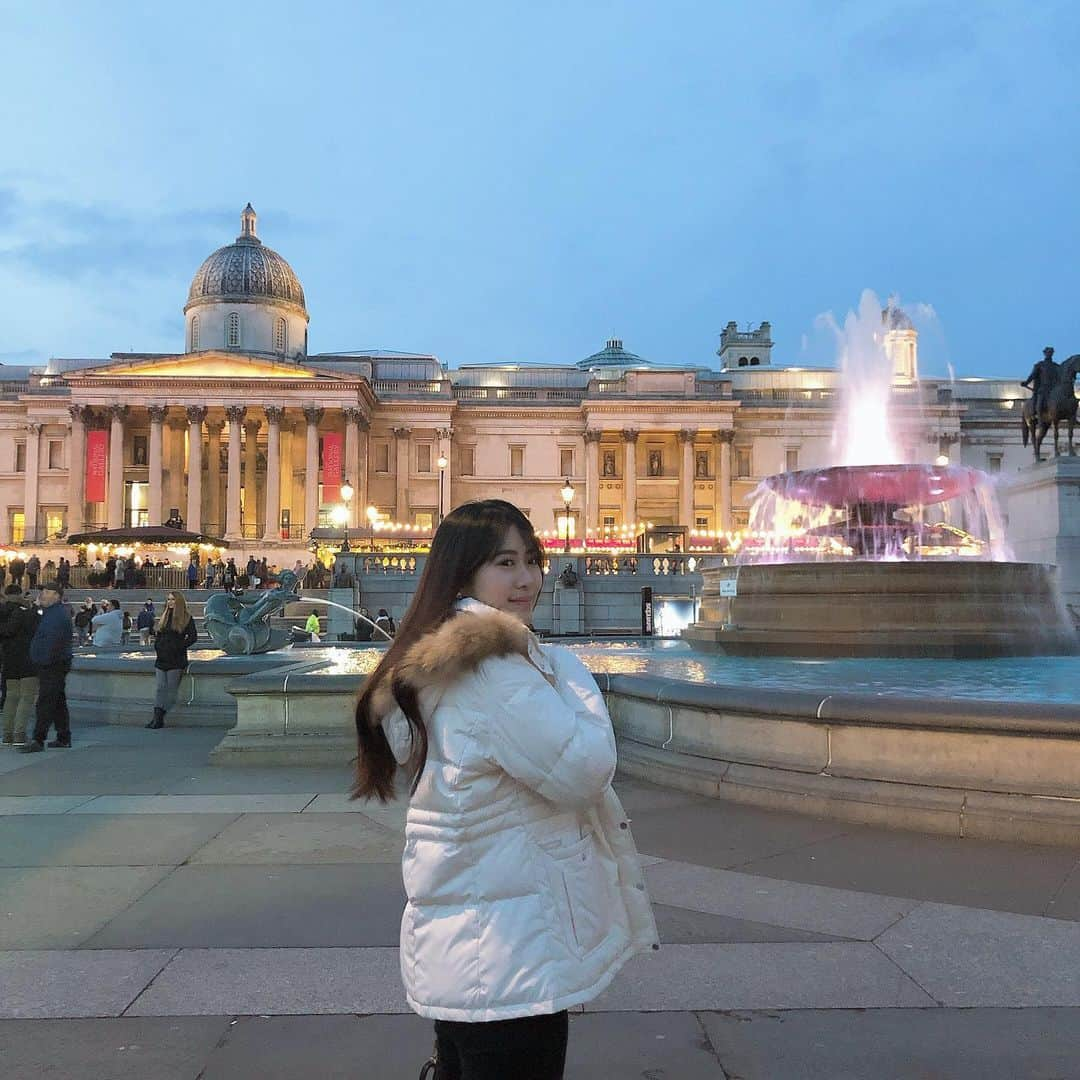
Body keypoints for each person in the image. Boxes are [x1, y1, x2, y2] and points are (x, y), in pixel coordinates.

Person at [353, 500, 658, 1078]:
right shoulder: (495, 670)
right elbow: (584, 771)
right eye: (505, 562)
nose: (527, 579)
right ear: (464, 571)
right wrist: (572, 676)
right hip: (511, 950)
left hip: (469, 942)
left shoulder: (437, 659)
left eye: (532, 559)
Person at [21, 580, 73, 752]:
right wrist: (36, 607)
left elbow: (52, 642)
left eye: (47, 592)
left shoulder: (56, 615)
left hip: (52, 664)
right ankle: (63, 736)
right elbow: (31, 625)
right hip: (53, 663)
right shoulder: (50, 612)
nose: (42, 594)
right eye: (42, 591)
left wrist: (42, 660)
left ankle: (38, 739)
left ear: (56, 596)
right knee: (57, 700)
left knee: (45, 702)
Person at [147, 592, 199, 730]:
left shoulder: (186, 618)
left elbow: (193, 637)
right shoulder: (165, 616)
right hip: (162, 658)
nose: (170, 602)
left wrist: (179, 647)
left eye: (173, 600)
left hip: (176, 659)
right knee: (160, 688)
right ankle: (156, 717)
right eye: (168, 599)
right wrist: (157, 646)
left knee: (171, 690)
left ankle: (159, 717)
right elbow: (159, 634)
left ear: (179, 601)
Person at [0, 584, 40, 746]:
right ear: (19, 594)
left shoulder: (2, 612)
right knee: (26, 697)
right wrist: (32, 606)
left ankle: (7, 734)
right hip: (26, 660)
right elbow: (37, 625)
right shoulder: (24, 612)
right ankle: (19, 733)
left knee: (11, 697)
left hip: (9, 661)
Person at [1021, 345, 1059, 420]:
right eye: (1048, 352)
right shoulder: (1040, 365)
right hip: (1042, 389)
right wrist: (1026, 382)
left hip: (1054, 390)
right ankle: (1034, 414)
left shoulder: (1056, 366)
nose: (1049, 354)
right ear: (1044, 353)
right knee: (1039, 401)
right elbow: (1032, 376)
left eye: (1051, 352)